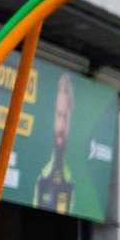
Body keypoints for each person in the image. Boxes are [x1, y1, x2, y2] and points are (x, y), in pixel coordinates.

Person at [34, 74, 78, 215]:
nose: (62, 126)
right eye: (59, 115)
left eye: (66, 117)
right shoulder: (40, 170)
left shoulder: (73, 177)